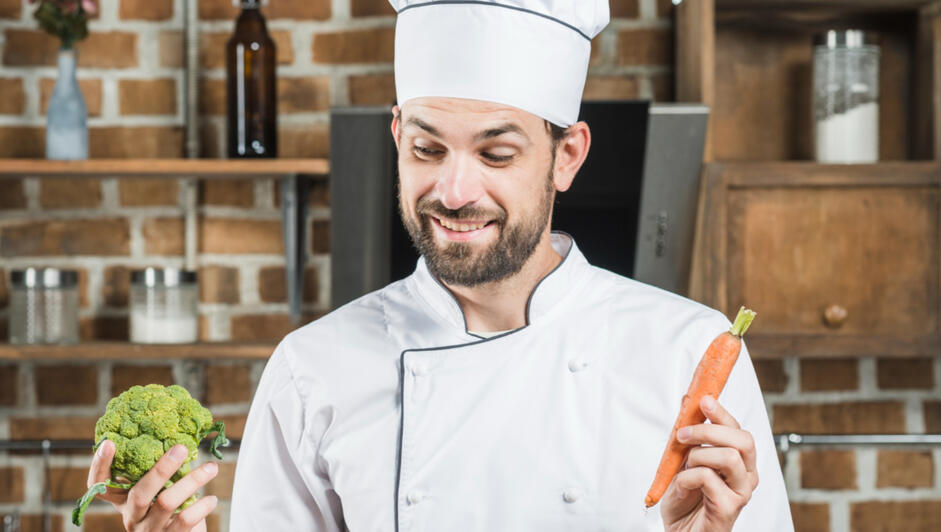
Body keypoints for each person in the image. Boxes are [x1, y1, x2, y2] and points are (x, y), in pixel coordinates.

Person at [85, 1, 794, 530]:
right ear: (396, 137)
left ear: (566, 156)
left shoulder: (691, 356)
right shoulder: (312, 371)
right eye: (427, 150)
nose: (454, 192)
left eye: (495, 154)